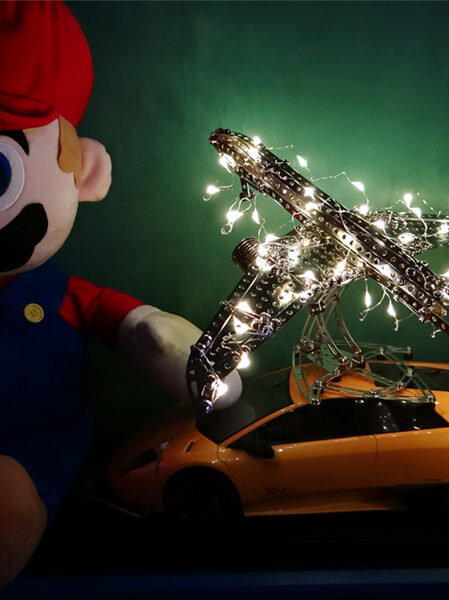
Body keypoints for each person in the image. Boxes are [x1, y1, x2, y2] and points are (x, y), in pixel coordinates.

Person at [0, 1, 240, 585]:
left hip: (30, 460)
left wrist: (167, 343)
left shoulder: (57, 293)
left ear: (86, 173)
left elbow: (133, 327)